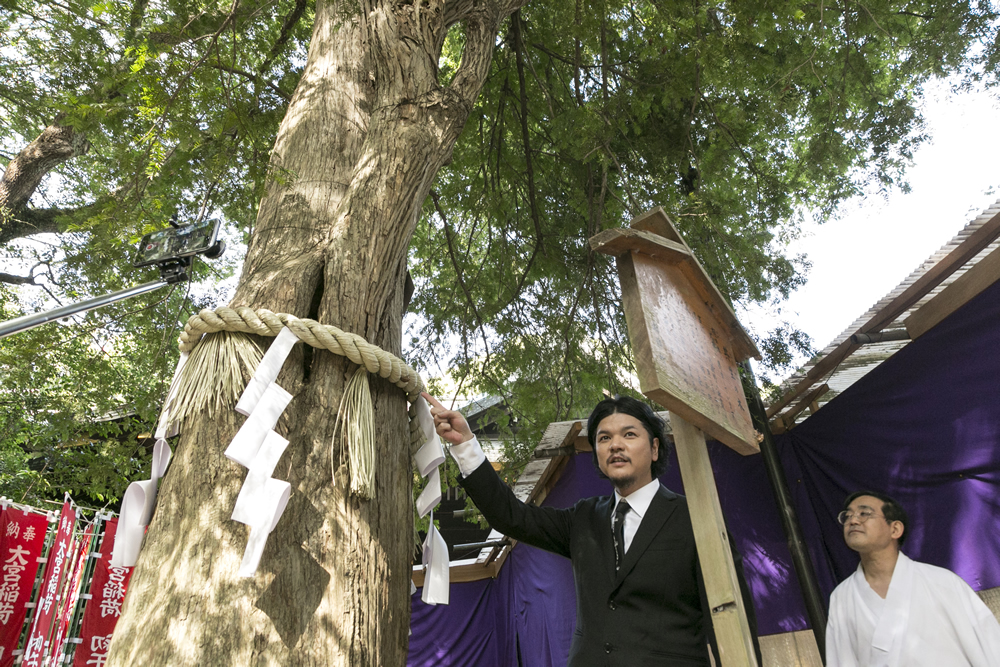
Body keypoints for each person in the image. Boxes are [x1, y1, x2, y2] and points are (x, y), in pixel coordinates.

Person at [424, 392, 761, 666]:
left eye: (629, 434)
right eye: (604, 437)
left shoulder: (696, 519)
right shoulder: (583, 518)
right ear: (598, 454)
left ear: (655, 448)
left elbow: (732, 618)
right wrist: (465, 444)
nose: (615, 445)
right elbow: (512, 517)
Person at [826, 491, 1000, 666]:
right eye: (847, 516)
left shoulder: (942, 582)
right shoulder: (841, 597)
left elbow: (990, 645)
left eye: (864, 513)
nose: (853, 520)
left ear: (895, 529)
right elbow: (842, 660)